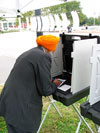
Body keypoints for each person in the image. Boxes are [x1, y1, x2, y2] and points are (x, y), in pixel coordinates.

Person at [0, 35, 61, 133]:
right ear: (51, 47)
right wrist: (54, 84)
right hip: (22, 111)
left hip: (9, 103)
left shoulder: (30, 52)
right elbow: (45, 90)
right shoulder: (44, 56)